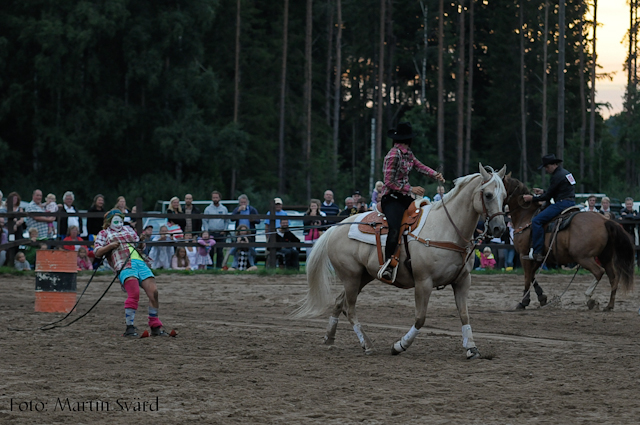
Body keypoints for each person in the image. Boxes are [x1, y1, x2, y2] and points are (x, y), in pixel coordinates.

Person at [378, 122, 444, 282]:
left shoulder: (408, 154)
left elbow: (419, 166)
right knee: (394, 228)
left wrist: (434, 174)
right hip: (391, 197)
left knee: (424, 217)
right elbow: (388, 182)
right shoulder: (393, 154)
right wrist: (410, 189)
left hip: (404, 196)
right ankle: (387, 263)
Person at [94, 209, 170, 337]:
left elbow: (141, 246)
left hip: (140, 262)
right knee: (134, 293)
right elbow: (97, 252)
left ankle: (155, 326)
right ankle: (129, 327)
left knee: (154, 292)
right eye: (116, 220)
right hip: (123, 264)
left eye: (121, 220)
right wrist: (110, 246)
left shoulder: (128, 230)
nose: (119, 223)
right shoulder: (104, 233)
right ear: (109, 221)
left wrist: (141, 241)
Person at [522, 154, 576, 261]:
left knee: (537, 221)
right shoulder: (566, 173)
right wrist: (543, 192)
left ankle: (537, 251)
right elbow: (560, 191)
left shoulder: (556, 176)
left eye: (547, 167)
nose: (546, 169)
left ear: (554, 164)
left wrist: (532, 198)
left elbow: (548, 196)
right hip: (571, 202)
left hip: (561, 204)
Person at [203, 190, 229, 268]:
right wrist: (207, 232)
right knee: (210, 251)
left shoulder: (224, 209)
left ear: (219, 198)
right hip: (211, 232)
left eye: (216, 197)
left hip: (221, 233)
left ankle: (218, 268)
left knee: (220, 251)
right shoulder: (208, 209)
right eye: (213, 197)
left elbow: (227, 221)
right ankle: (210, 268)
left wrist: (225, 229)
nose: (215, 199)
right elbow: (205, 221)